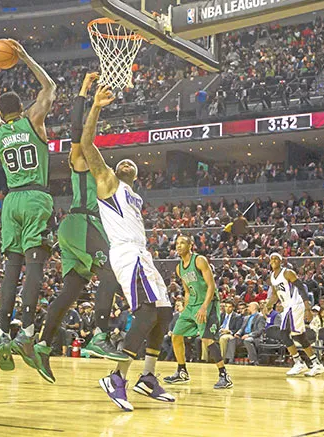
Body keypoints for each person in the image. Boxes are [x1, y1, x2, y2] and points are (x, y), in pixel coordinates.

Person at [80, 86, 175, 412]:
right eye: (121, 161)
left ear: (136, 175)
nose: (124, 162)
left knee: (164, 313)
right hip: (126, 252)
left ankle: (147, 377)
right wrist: (94, 107)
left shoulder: (134, 196)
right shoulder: (107, 181)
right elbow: (87, 145)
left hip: (141, 253)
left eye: (130, 163)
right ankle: (116, 378)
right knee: (147, 312)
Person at [32, 73, 127, 384]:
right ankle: (100, 332)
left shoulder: (106, 180)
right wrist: (86, 94)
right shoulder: (80, 160)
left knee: (71, 291)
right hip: (78, 223)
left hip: (77, 229)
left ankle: (43, 345)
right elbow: (79, 131)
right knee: (110, 270)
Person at [0, 39, 57, 372]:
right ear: (22, 108)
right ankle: (27, 331)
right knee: (35, 266)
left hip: (10, 201)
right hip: (35, 197)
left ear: (3, 112)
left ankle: (1, 333)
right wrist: (26, 56)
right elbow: (50, 87)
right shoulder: (33, 121)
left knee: (11, 269)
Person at [163, 235, 232, 389]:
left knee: (207, 339)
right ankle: (182, 371)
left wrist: (203, 307)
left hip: (208, 303)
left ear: (190, 245)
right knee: (176, 335)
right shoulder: (179, 267)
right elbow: (187, 291)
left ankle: (224, 375)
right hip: (192, 305)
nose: (179, 246)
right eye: (177, 244)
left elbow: (211, 286)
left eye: (182, 243)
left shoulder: (199, 260)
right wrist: (187, 310)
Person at [262, 253, 324, 377]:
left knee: (284, 333)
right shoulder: (272, 277)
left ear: (281, 261)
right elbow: (275, 295)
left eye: (276, 258)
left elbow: (302, 288)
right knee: (299, 336)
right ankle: (315, 363)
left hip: (295, 305)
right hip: (287, 307)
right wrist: (268, 305)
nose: (273, 260)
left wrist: (308, 308)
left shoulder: (287, 273)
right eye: (272, 259)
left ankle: (299, 362)